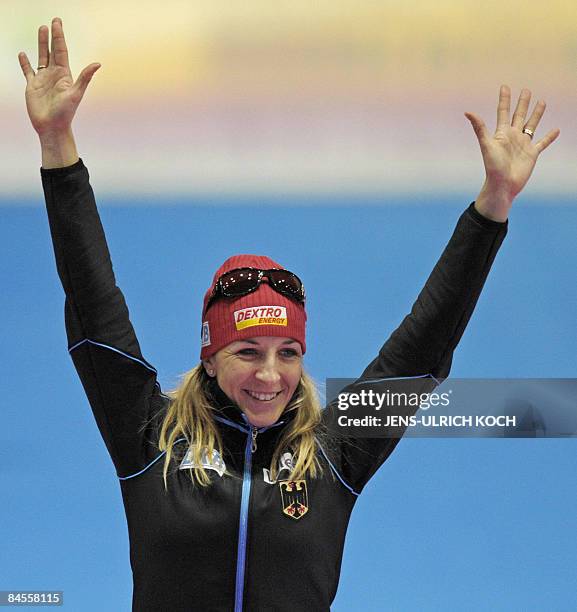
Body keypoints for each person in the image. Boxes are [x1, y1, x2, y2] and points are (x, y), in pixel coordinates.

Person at [19, 17, 560, 612]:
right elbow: (95, 306)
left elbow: (423, 349)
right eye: (247, 352)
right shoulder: (151, 437)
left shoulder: (335, 449)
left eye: (288, 353)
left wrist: (493, 206)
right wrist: (57, 147)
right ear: (210, 356)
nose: (271, 375)